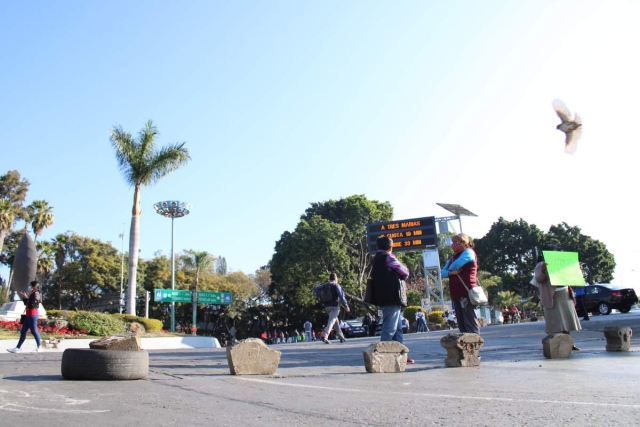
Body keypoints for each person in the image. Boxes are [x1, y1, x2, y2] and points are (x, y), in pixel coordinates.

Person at [370, 236, 414, 363]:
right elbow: (404, 273)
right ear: (391, 247)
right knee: (390, 328)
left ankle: (400, 355)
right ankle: (383, 356)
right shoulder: (388, 257)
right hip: (392, 296)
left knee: (397, 328)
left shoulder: (376, 259)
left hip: (382, 295)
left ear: (377, 247)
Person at [530, 248, 582, 350]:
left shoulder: (562, 262)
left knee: (567, 320)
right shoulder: (540, 264)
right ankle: (557, 344)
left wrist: (577, 268)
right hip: (552, 295)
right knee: (555, 321)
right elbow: (539, 279)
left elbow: (571, 274)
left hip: (565, 292)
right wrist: (544, 270)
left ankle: (569, 343)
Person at [441, 233, 480, 334]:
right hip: (455, 294)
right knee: (461, 323)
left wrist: (449, 271)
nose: (453, 245)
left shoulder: (469, 252)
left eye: (455, 242)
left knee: (470, 322)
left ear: (463, 242)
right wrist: (450, 273)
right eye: (453, 242)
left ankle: (474, 344)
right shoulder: (453, 257)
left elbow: (457, 264)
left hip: (466, 292)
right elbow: (442, 273)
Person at [314, 273, 350, 344]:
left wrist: (321, 295)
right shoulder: (336, 285)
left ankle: (341, 337)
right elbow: (342, 297)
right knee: (331, 321)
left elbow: (315, 288)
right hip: (335, 307)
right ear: (336, 278)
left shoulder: (325, 285)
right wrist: (346, 306)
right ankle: (325, 337)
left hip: (327, 307)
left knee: (335, 322)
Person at [7, 281, 42, 353]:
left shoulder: (36, 293)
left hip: (32, 314)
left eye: (31, 286)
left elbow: (33, 304)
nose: (29, 287)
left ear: (34, 286)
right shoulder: (33, 293)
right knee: (23, 331)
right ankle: (17, 348)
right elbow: (28, 303)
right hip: (28, 315)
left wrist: (26, 298)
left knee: (34, 331)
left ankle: (39, 346)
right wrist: (25, 298)